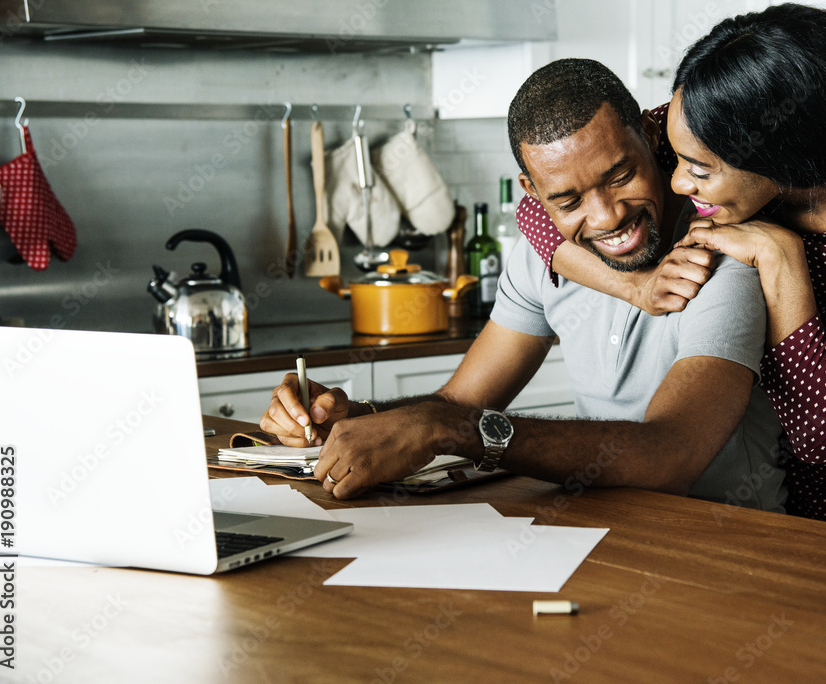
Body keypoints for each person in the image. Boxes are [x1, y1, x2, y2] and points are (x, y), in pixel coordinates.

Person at [514, 4, 826, 539]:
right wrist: (636, 286)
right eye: (679, 159)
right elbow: (537, 209)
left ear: (784, 154)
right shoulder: (699, 127)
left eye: (701, 171)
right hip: (762, 473)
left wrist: (781, 258)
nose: (678, 184)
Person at [260, 58, 786, 512]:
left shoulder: (721, 256)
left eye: (620, 176)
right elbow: (457, 400)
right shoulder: (541, 262)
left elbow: (671, 454)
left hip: (733, 545)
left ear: (652, 137)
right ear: (533, 194)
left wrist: (451, 428)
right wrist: (356, 419)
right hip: (615, 533)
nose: (606, 217)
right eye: (568, 200)